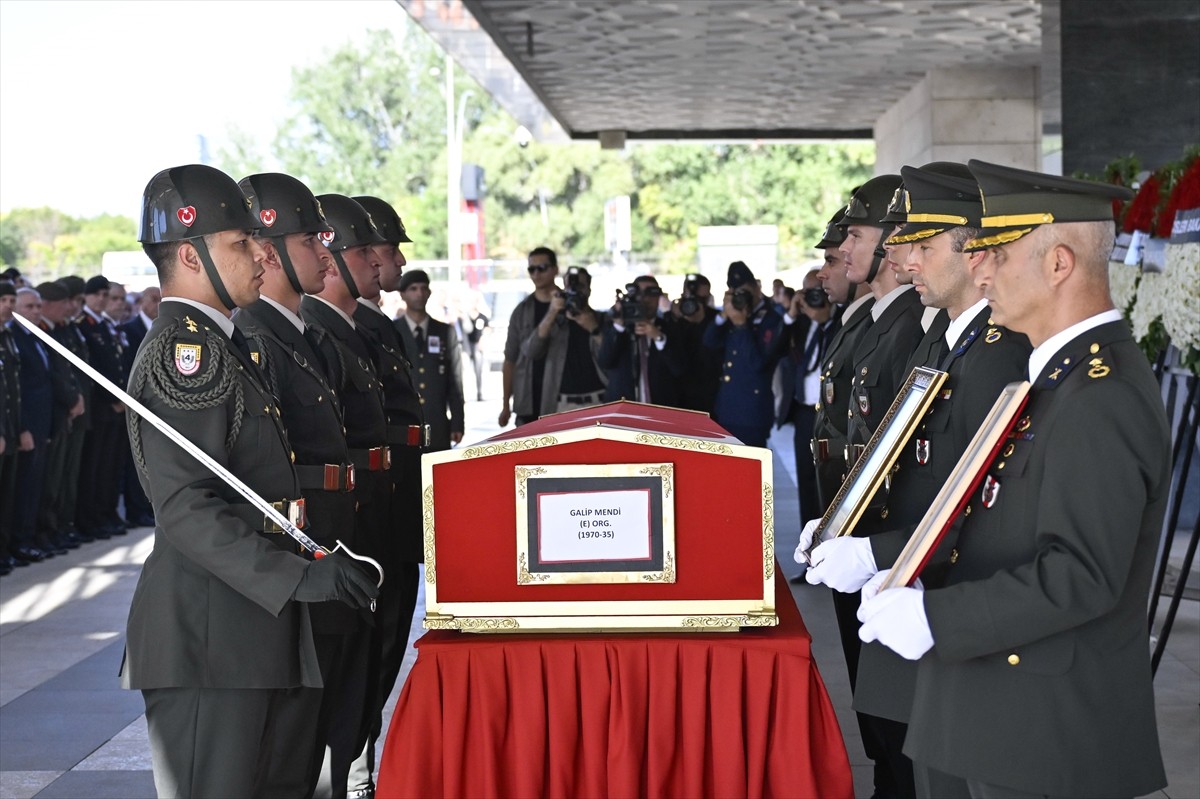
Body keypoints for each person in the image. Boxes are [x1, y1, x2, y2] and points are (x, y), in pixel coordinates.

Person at [857, 160, 1168, 799]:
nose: (981, 269)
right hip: (993, 711)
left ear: (1058, 263)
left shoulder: (1099, 394)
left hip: (1038, 730)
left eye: (997, 252)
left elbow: (1081, 574)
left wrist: (938, 616)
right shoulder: (1056, 378)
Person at [123, 163, 377, 798]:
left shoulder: (231, 344)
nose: (260, 258)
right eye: (239, 246)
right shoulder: (188, 353)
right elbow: (186, 508)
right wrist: (298, 576)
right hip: (212, 639)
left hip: (254, 630)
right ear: (188, 255)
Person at [803, 162, 1032, 799]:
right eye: (903, 242)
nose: (905, 260)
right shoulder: (944, 343)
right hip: (907, 564)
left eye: (922, 246)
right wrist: (840, 526)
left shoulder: (992, 350)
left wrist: (872, 549)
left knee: (940, 766)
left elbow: (967, 495)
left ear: (974, 249)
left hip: (941, 583)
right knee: (911, 757)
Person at [236, 172, 368, 798]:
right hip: (301, 552)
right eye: (311, 239)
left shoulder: (301, 335)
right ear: (268, 248)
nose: (326, 253)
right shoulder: (257, 337)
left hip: (334, 541)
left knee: (326, 724)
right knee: (292, 743)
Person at [346, 196, 428, 798]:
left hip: (396, 507)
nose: (394, 260)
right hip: (372, 515)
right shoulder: (350, 326)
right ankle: (353, 768)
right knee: (368, 658)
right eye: (384, 248)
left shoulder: (376, 322)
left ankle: (360, 761)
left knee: (386, 646)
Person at [499, 249, 605, 426]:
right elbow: (512, 358)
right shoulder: (522, 311)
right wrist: (505, 405)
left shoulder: (574, 308)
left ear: (555, 269)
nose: (537, 274)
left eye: (542, 268)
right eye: (531, 269)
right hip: (529, 400)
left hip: (563, 399)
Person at [776, 268, 839, 525]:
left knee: (829, 479)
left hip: (831, 414)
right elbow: (775, 351)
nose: (815, 297)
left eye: (819, 290)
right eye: (808, 292)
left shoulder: (842, 320)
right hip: (803, 411)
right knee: (805, 478)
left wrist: (824, 319)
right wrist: (791, 314)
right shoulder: (800, 323)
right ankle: (807, 538)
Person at [702, 260, 783, 447]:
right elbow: (709, 342)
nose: (742, 297)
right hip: (727, 407)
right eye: (736, 292)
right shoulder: (732, 314)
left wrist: (741, 325)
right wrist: (723, 315)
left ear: (756, 287)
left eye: (745, 291)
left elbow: (758, 363)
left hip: (752, 411)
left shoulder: (771, 318)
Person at [33, 281, 86, 551]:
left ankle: (58, 528)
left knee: (62, 477)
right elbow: (52, 376)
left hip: (64, 415)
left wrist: (76, 398)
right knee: (50, 481)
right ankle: (45, 532)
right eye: (64, 302)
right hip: (52, 417)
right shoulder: (42, 332)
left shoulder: (59, 330)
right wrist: (71, 399)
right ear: (50, 304)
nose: (70, 307)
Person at [76, 274, 127, 540]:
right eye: (98, 294)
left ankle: (105, 513)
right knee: (93, 468)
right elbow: (93, 368)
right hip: (99, 407)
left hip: (113, 409)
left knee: (108, 467)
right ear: (86, 296)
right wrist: (112, 399)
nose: (102, 299)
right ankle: (90, 518)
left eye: (105, 295)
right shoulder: (83, 325)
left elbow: (115, 365)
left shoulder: (104, 325)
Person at [395, 269, 465, 451]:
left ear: (429, 292)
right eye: (413, 289)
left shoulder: (444, 332)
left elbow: (454, 380)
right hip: (403, 424)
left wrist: (458, 422)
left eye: (423, 288)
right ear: (402, 294)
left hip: (437, 423)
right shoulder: (392, 331)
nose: (419, 293)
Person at [598, 274, 686, 406]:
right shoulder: (616, 326)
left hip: (661, 407)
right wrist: (619, 326)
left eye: (652, 294)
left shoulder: (670, 328)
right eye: (639, 293)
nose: (645, 299)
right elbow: (605, 361)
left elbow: (679, 369)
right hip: (622, 408)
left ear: (658, 299)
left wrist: (658, 337)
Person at [119, 285, 160, 528]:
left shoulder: (163, 328)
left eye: (160, 299)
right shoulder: (129, 329)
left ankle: (145, 507)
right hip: (135, 404)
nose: (157, 303)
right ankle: (135, 509)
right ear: (142, 302)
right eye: (153, 299)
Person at [671, 272, 721, 414]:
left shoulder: (715, 319)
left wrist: (702, 321)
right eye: (691, 297)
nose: (695, 302)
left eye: (701, 299)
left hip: (709, 390)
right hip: (679, 393)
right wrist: (675, 318)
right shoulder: (673, 318)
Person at [0, 281, 21, 573]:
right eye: (3, 299)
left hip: (12, 428)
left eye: (10, 299)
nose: (8, 305)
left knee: (8, 496)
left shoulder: (8, 336)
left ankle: (5, 550)